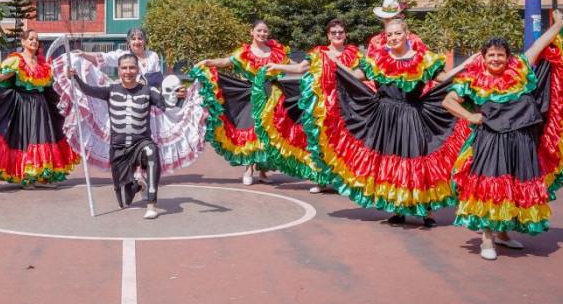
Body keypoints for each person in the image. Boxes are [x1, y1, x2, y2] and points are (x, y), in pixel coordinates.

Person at [309, 17, 475, 227]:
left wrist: (467, 63)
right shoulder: (377, 59)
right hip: (385, 118)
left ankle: (426, 211)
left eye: (397, 33)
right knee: (392, 163)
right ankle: (398, 209)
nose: (394, 37)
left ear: (407, 34)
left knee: (416, 162)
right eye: (389, 34)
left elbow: (445, 77)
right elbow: (352, 76)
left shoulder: (423, 58)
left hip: (413, 116)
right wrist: (333, 63)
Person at [443, 11, 563, 260]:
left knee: (514, 186)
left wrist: (558, 25)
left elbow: (539, 45)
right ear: (484, 57)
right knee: (490, 187)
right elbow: (448, 101)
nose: (496, 59)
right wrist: (471, 116)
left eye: (500, 55)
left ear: (508, 57)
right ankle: (487, 239)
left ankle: (504, 234)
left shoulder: (521, 67)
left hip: (521, 140)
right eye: (491, 55)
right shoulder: (473, 78)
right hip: (491, 140)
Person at [68, 54, 187, 218]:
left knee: (151, 152)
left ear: (137, 70)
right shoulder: (111, 90)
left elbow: (166, 105)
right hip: (118, 148)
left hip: (141, 143)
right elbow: (88, 90)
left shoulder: (148, 91)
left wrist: (180, 98)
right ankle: (138, 185)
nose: (128, 71)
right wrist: (75, 78)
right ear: (119, 70)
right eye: (124, 68)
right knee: (124, 201)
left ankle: (151, 205)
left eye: (132, 67)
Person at [193, 20, 306, 185]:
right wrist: (207, 62)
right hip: (253, 96)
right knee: (254, 131)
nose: (262, 34)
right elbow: (225, 62)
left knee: (270, 132)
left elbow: (295, 66)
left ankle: (263, 172)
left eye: (265, 31)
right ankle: (249, 169)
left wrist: (311, 66)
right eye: (259, 30)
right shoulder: (244, 52)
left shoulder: (277, 51)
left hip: (274, 96)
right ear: (252, 32)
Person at [0, 29, 80, 186]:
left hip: (41, 106)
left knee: (42, 138)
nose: (34, 41)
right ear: (23, 42)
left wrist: (68, 74)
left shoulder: (43, 63)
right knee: (27, 139)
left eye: (36, 39)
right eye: (31, 39)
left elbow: (55, 81)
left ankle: (41, 176)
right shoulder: (16, 60)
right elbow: (3, 75)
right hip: (23, 106)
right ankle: (27, 176)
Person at [294, 18, 362, 194]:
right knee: (321, 141)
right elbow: (300, 69)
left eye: (340, 32)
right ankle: (321, 180)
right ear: (328, 35)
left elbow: (360, 76)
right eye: (334, 33)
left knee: (344, 143)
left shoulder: (354, 54)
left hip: (346, 104)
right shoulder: (318, 53)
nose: (337, 35)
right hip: (322, 105)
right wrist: (274, 67)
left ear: (345, 35)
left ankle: (344, 180)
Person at [75, 27, 164, 86]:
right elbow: (103, 57)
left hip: (149, 98)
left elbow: (158, 78)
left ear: (144, 41)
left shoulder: (153, 55)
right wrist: (83, 54)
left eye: (140, 38)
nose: (137, 42)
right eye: (133, 39)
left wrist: (144, 81)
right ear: (129, 43)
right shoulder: (123, 56)